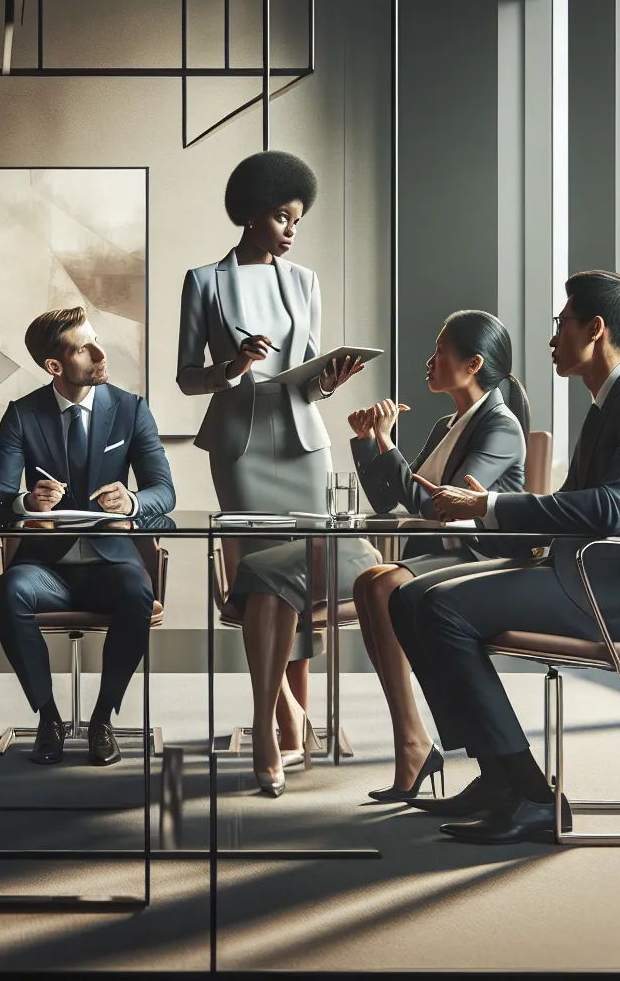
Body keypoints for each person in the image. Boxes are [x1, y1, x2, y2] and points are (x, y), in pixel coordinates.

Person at [394, 270, 620, 844]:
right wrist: (499, 512)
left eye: (562, 324)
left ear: (596, 329)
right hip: (578, 571)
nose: (553, 338)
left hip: (611, 592)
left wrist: (491, 505)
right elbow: (577, 503)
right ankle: (497, 778)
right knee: (409, 597)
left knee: (439, 609)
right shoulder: (613, 401)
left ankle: (531, 792)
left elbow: (611, 508)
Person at [176, 150, 370, 797]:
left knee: (301, 582)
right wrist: (230, 367)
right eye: (284, 216)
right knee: (259, 582)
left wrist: (329, 380)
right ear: (252, 215)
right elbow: (186, 377)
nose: (292, 229)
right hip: (241, 447)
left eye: (298, 219)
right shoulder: (203, 281)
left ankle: (287, 727)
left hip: (303, 444)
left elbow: (307, 377)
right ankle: (275, 720)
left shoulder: (305, 282)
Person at [346, 310, 530, 802]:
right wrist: (368, 444)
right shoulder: (451, 423)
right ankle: (412, 739)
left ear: (473, 364)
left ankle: (412, 743)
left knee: (380, 584)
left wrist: (386, 440)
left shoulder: (501, 427)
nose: (429, 361)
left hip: (478, 558)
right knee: (369, 582)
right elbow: (388, 499)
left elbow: (437, 504)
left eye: (440, 352)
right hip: (441, 555)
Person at [0, 307, 176, 767]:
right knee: (8, 590)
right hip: (45, 568)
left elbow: (163, 491)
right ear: (55, 366)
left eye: (96, 340)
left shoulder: (130, 409)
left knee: (136, 592)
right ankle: (48, 718)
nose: (99, 352)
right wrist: (28, 502)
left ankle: (102, 719)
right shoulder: (22, 415)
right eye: (83, 347)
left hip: (112, 565)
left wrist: (131, 501)